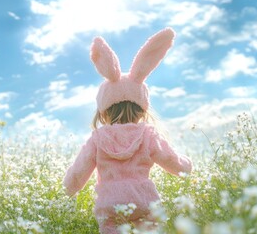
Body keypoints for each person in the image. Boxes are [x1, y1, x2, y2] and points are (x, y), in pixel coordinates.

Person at [63, 28, 193, 234]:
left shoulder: (97, 138)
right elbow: (171, 160)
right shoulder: (148, 134)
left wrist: (69, 187)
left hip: (110, 201)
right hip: (143, 198)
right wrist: (184, 166)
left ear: (104, 110)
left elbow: (80, 170)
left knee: (110, 228)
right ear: (142, 107)